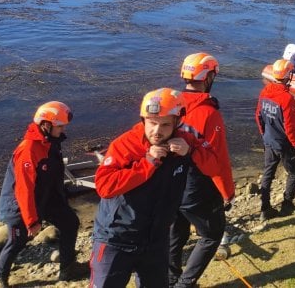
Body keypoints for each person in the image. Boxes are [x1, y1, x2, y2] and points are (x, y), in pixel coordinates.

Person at [91, 88, 218, 288]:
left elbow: (215, 165)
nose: (157, 131)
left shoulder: (186, 140)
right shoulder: (125, 145)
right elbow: (105, 186)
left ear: (177, 122)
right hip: (117, 237)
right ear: (143, 120)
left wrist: (192, 151)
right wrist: (147, 163)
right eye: (152, 123)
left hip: (156, 239)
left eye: (165, 124)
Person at [0, 102, 84, 286]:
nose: (63, 129)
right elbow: (23, 188)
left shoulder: (51, 143)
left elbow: (51, 176)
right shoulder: (28, 150)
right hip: (20, 205)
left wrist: (62, 198)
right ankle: (0, 277)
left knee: (70, 222)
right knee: (17, 241)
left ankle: (67, 268)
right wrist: (31, 221)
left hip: (45, 199)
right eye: (60, 126)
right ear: (46, 124)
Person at [169, 53, 235, 288]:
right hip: (195, 187)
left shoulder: (172, 105)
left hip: (170, 183)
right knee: (211, 235)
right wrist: (227, 192)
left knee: (176, 231)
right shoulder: (209, 113)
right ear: (207, 77)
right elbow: (218, 161)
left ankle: (169, 279)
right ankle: (184, 284)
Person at [255, 59, 295, 221]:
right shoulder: (286, 98)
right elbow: (290, 126)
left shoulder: (265, 91)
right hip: (283, 144)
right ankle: (287, 204)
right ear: (288, 76)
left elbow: (258, 117)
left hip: (269, 140)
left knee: (268, 173)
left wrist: (264, 135)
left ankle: (265, 208)